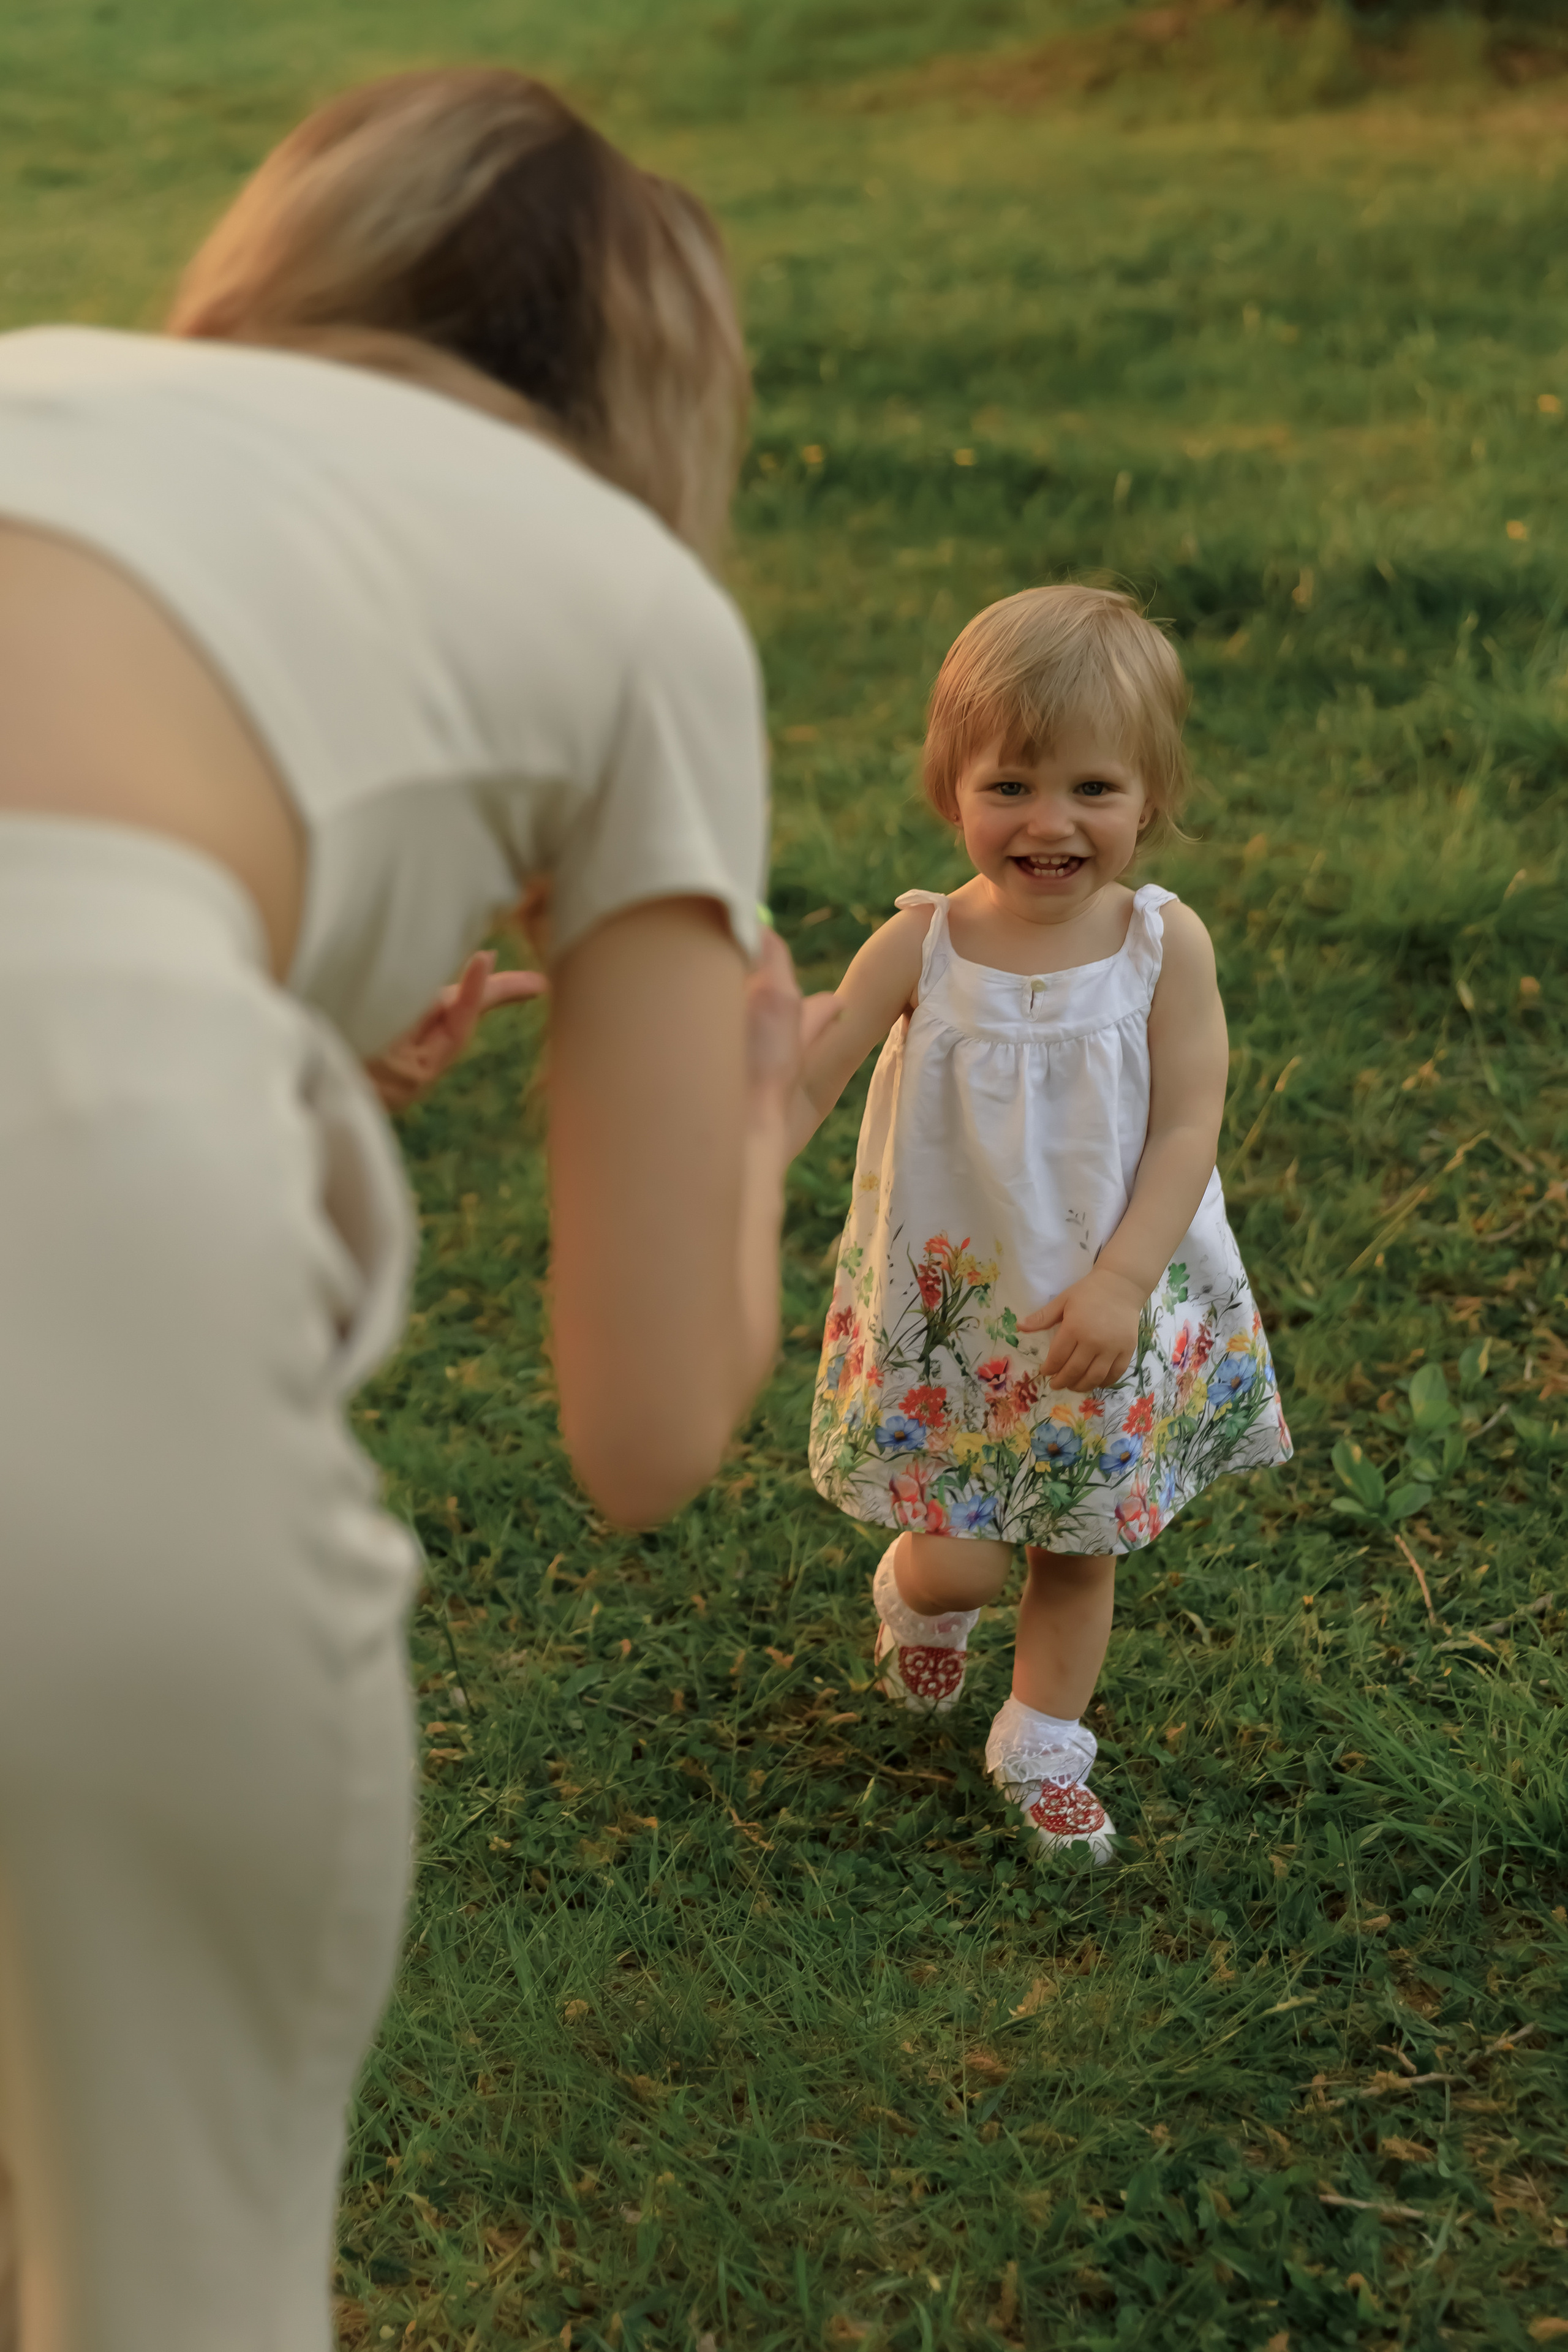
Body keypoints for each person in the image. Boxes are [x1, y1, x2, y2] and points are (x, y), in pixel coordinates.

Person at [0, 67, 824, 2352]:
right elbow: (643, 1422)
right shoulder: (641, 605)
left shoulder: (53, 389)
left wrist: (260, 1046)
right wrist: (751, 1130)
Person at [788, 585, 1292, 1861]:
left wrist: (1124, 1279)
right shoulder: (921, 942)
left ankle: (1043, 1739)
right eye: (1008, 785)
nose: (1049, 823)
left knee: (1074, 1546)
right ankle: (920, 1603)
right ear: (948, 787)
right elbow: (811, 1069)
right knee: (959, 1557)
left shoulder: (1161, 949)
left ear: (1148, 797)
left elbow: (1186, 1125)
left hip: (1099, 1308)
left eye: (1092, 789)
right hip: (956, 1314)